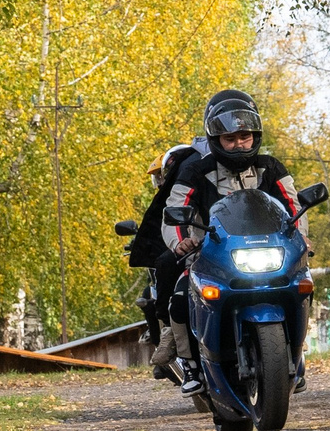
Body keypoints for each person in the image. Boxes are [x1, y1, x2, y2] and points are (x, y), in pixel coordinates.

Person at [161, 90, 316, 393]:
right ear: (216, 139)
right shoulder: (196, 171)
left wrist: (302, 234)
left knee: (303, 283)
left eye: (244, 136)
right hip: (211, 254)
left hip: (269, 252)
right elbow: (174, 208)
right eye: (230, 139)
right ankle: (190, 364)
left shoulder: (270, 167)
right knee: (180, 294)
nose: (238, 144)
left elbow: (293, 205)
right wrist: (180, 242)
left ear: (255, 134)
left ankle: (297, 353)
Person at [131, 126, 205, 392]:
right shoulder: (178, 190)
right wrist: (182, 242)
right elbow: (168, 221)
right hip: (192, 249)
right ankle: (170, 336)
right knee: (168, 275)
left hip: (234, 248)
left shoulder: (209, 174)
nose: (161, 180)